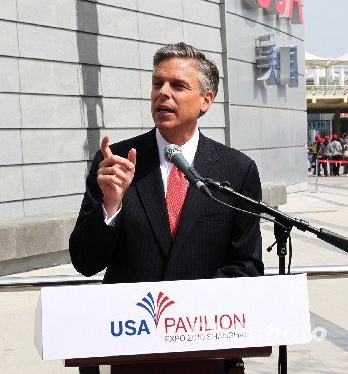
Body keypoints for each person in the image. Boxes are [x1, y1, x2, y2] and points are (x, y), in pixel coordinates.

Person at [70, 43, 263, 374]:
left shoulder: (236, 169)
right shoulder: (114, 163)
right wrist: (111, 204)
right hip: (133, 349)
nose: (163, 93)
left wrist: (186, 313)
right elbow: (86, 262)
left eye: (178, 85)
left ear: (207, 99)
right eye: (157, 83)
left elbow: (245, 265)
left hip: (207, 350)